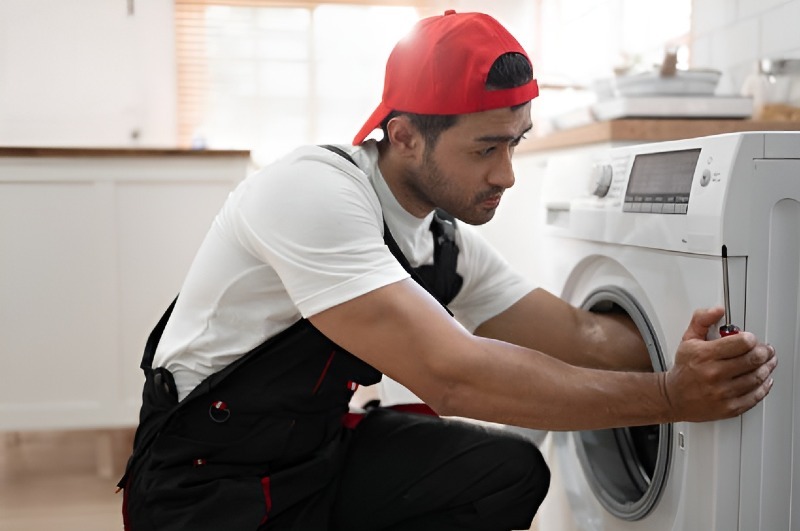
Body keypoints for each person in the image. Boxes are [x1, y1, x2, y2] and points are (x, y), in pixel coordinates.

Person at [118, 10, 777, 531]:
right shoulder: (311, 191)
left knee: (505, 471)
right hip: (203, 487)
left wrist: (702, 358)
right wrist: (668, 397)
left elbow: (582, 337)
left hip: (314, 460)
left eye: (514, 141)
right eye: (485, 148)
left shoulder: (441, 240)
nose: (506, 174)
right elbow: (453, 375)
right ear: (403, 135)